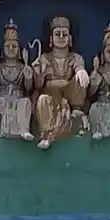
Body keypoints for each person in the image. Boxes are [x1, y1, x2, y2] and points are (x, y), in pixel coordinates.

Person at [30, 13, 89, 148]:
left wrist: (80, 71)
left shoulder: (75, 57)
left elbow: (79, 66)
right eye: (58, 34)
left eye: (64, 34)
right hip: (51, 97)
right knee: (42, 100)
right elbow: (38, 85)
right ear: (51, 39)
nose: (61, 37)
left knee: (81, 76)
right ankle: (46, 135)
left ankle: (76, 110)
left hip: (69, 96)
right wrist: (38, 73)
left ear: (70, 38)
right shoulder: (44, 58)